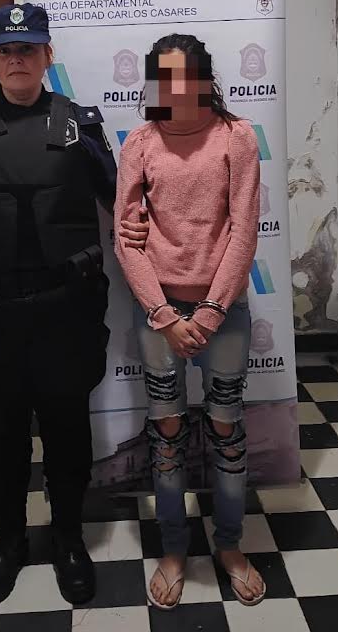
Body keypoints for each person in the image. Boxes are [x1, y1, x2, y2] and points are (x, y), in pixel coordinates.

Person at [0, 3, 148, 607]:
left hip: (65, 309)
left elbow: (120, 204)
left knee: (67, 431)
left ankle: (68, 538)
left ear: (47, 56)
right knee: (2, 431)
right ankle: (9, 541)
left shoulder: (78, 125)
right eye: (5, 50)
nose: (16, 59)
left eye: (27, 48)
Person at [114, 33, 266, 609]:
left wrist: (210, 309)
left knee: (227, 429)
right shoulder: (141, 142)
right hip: (159, 315)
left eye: (186, 75)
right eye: (165, 77)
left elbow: (244, 231)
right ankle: (174, 549)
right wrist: (162, 313)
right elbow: (126, 239)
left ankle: (229, 545)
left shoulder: (236, 136)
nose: (175, 88)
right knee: (167, 433)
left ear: (204, 78)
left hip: (223, 313)